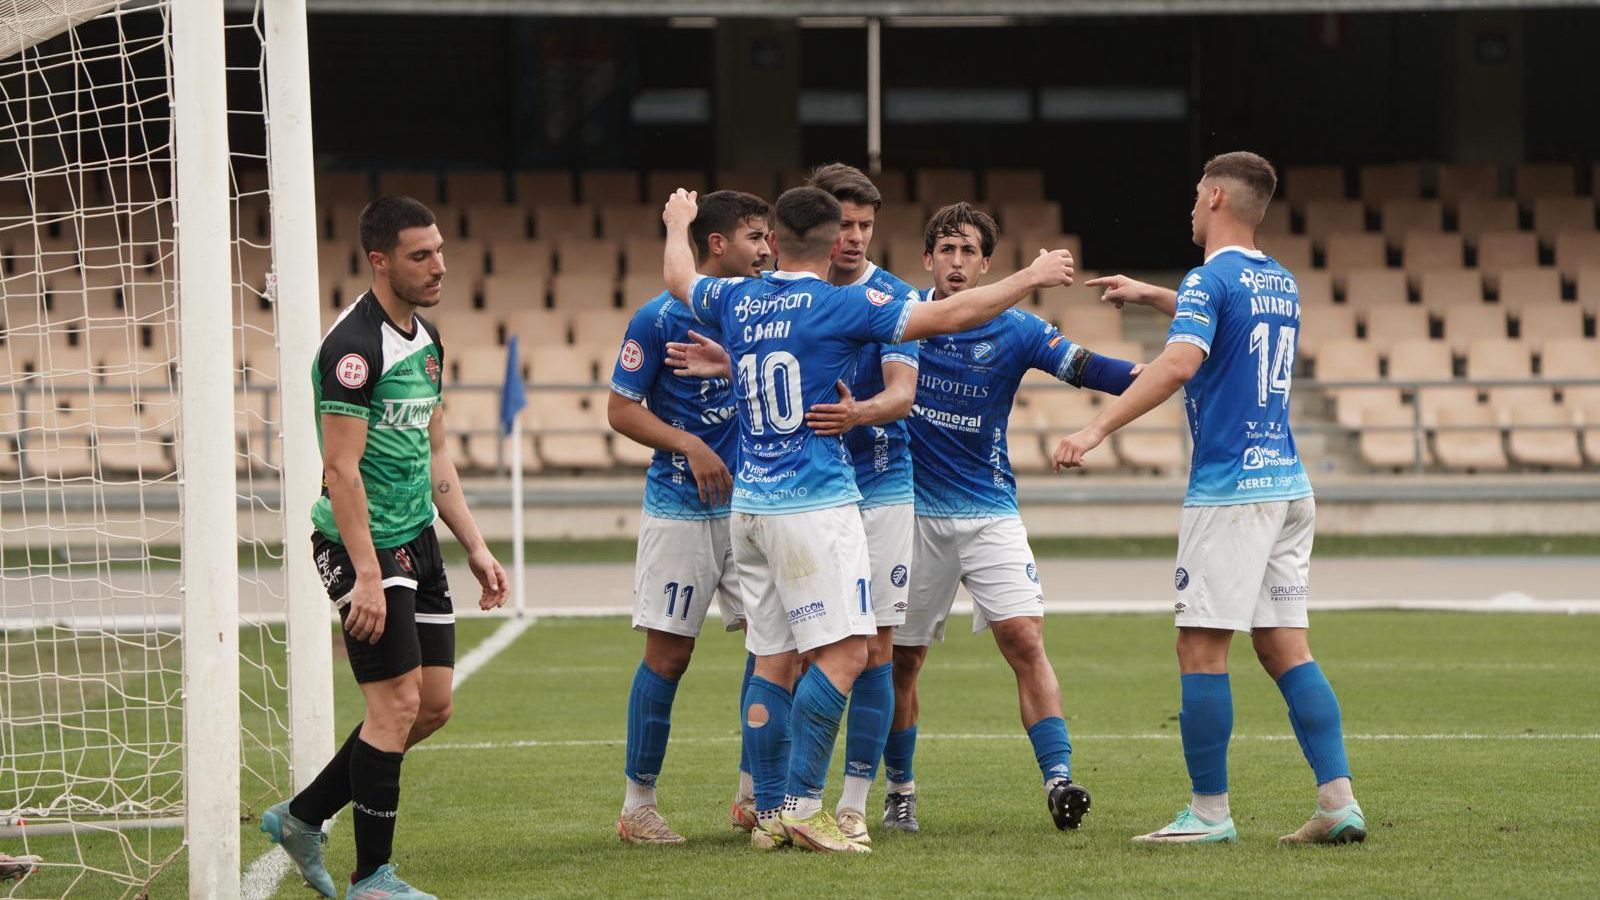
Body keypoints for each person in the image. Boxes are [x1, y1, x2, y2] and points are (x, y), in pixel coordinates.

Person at [660, 186, 1075, 853]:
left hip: (751, 506)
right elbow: (949, 315)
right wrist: (1029, 275)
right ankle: (805, 806)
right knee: (853, 651)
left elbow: (679, 277)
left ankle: (769, 815)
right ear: (833, 246)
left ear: (776, 241)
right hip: (813, 507)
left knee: (774, 658)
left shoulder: (738, 298)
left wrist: (678, 221)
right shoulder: (842, 303)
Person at [1052, 151, 1365, 846]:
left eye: (1198, 193)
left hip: (1230, 493)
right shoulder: (1278, 280)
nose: (1192, 205)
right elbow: (1230, 316)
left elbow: (1181, 361)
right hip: (1287, 485)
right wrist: (1154, 295)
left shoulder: (1208, 278)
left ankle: (1210, 812)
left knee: (1200, 647)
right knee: (1286, 647)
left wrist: (1096, 428)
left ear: (1217, 196)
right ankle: (1338, 801)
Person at [260, 196, 509, 900]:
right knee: (395, 706)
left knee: (431, 707)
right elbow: (340, 471)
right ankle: (372, 878)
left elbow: (436, 454)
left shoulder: (427, 339)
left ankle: (302, 816)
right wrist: (366, 576)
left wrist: (475, 546)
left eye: (440, 250)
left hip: (417, 539)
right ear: (379, 260)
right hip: (358, 545)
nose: (439, 266)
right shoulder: (353, 349)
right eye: (420, 255)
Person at [884, 203, 1140, 835]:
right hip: (911, 516)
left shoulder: (1018, 330)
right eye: (946, 249)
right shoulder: (898, 318)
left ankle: (1059, 781)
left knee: (1025, 640)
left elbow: (1093, 370)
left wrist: (1171, 370)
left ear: (986, 264)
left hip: (989, 512)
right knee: (901, 662)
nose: (956, 262)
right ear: (927, 259)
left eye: (969, 251)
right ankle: (899, 790)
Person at [606, 190, 771, 844]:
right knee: (669, 656)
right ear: (717, 244)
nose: (767, 249)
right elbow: (621, 410)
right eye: (755, 236)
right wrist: (690, 444)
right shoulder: (657, 318)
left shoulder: (759, 314)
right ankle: (637, 806)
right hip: (679, 508)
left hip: (753, 508)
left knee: (771, 645)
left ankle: (755, 795)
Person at [790, 163, 919, 846]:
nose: (857, 237)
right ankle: (772, 798)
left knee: (876, 646)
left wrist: (856, 414)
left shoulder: (893, 297)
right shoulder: (783, 294)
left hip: (881, 485)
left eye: (867, 225)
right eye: (845, 224)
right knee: (794, 648)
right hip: (805, 492)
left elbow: (902, 393)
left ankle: (854, 803)